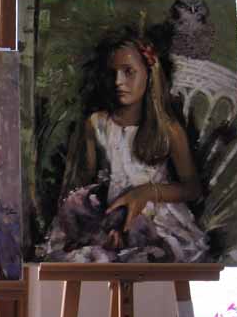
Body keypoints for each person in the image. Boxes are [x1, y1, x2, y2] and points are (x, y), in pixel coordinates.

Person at [54, 30, 208, 262]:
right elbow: (87, 183)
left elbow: (193, 188)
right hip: (109, 215)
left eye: (128, 72)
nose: (118, 82)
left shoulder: (168, 129)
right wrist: (104, 221)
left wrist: (145, 192)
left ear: (149, 74)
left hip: (157, 219)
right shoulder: (97, 124)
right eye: (113, 73)